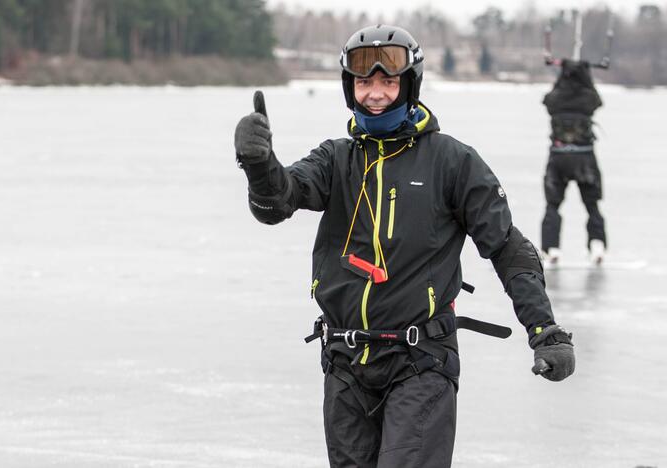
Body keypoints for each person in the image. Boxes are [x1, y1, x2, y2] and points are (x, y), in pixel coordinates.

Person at [233, 25, 575, 467]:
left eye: (388, 82)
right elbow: (279, 201)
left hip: (421, 362)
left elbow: (507, 247)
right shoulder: (335, 159)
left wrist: (544, 329)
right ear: (349, 87)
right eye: (364, 82)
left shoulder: (453, 162)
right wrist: (259, 167)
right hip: (345, 363)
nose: (375, 93)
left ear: (409, 84)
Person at [541, 59, 606, 264]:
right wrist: (585, 74)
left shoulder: (556, 99)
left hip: (558, 157)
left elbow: (548, 100)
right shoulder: (587, 98)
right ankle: (597, 244)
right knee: (592, 204)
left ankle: (551, 248)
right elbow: (597, 100)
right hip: (584, 158)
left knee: (553, 205)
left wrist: (563, 74)